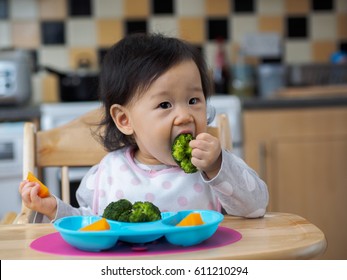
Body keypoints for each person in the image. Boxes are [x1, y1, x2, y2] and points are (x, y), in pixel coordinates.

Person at [19, 33, 268, 223]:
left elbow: (256, 207)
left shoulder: (213, 169)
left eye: (193, 101)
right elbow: (89, 225)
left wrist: (217, 166)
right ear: (125, 120)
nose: (184, 116)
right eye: (164, 104)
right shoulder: (106, 175)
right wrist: (54, 210)